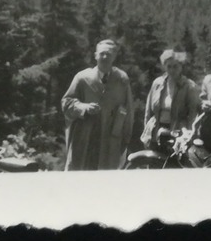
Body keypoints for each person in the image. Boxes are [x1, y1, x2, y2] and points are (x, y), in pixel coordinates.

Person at [61, 39, 134, 171]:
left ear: (114, 57)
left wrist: (126, 139)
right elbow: (66, 103)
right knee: (80, 177)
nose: (105, 57)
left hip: (110, 139)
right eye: (102, 54)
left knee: (105, 181)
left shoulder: (121, 79)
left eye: (109, 54)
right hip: (85, 138)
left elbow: (128, 110)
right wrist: (84, 107)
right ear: (95, 55)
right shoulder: (83, 78)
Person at [141, 48, 197, 147]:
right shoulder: (157, 83)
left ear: (181, 66)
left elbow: (193, 113)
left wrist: (189, 135)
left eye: (175, 66)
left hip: (177, 132)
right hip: (156, 130)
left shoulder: (189, 86)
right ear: (164, 67)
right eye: (169, 66)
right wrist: (147, 131)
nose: (172, 70)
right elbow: (148, 111)